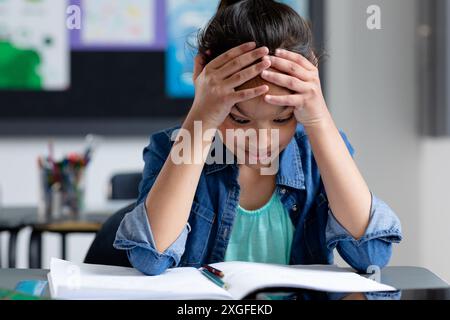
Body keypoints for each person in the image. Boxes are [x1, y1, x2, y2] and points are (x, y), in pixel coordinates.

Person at [114, 0, 402, 276]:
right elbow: (150, 257)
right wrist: (200, 118)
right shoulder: (171, 148)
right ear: (202, 71)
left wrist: (318, 118)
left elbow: (371, 256)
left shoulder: (317, 151)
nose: (262, 141)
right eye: (240, 119)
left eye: (281, 119)